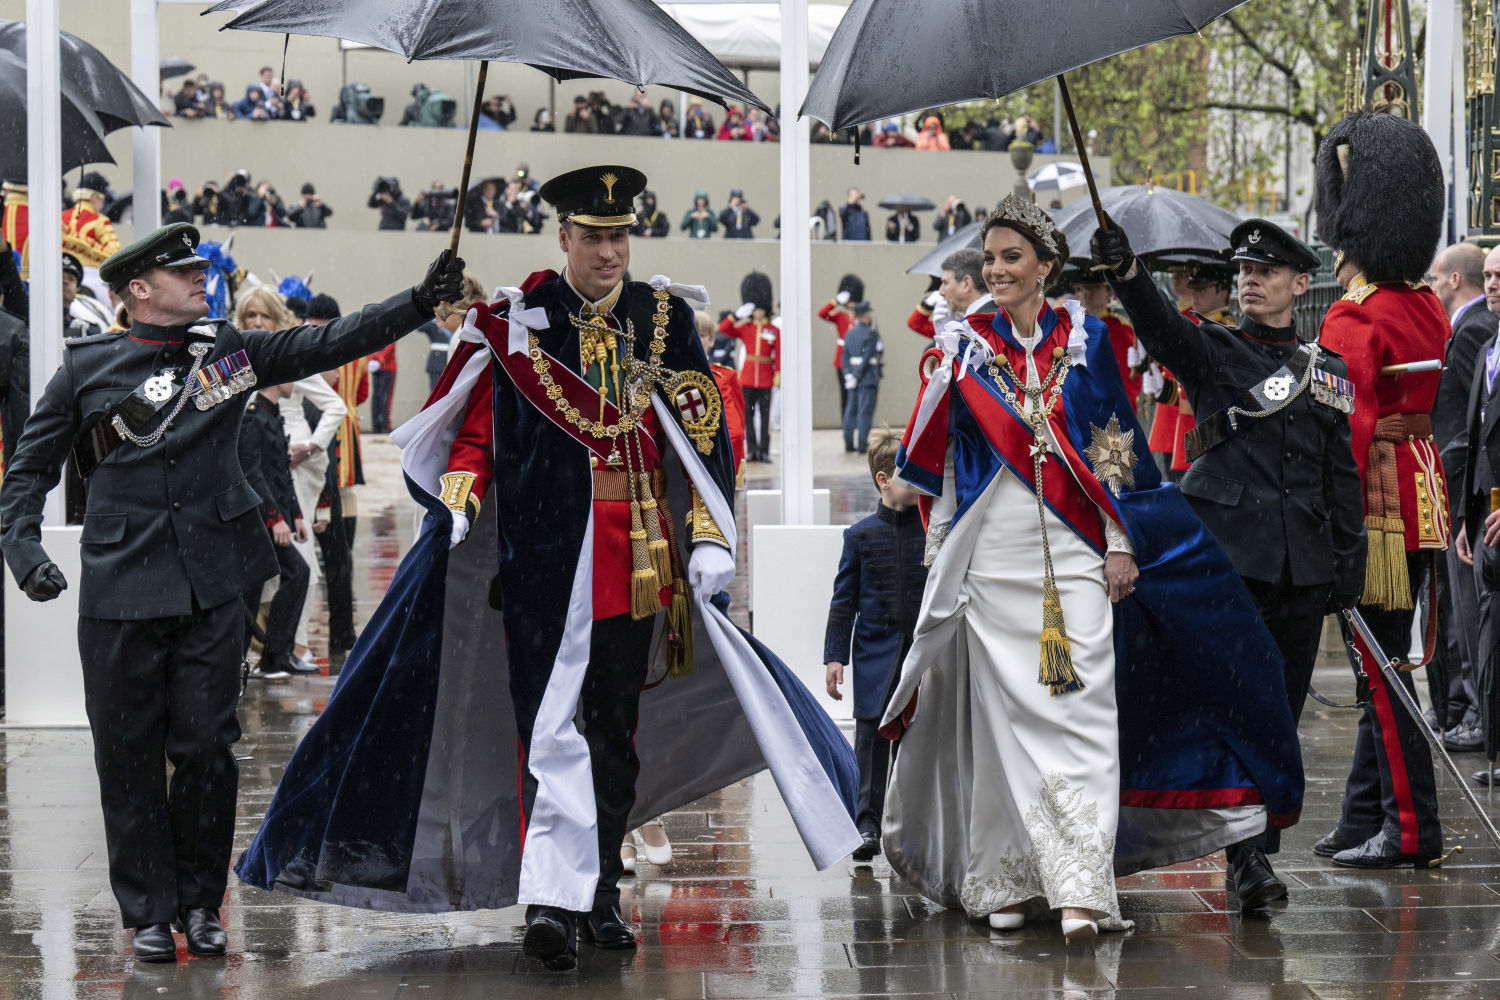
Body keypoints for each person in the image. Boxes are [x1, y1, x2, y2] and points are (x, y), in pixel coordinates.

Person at [235, 164, 861, 973]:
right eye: (595, 236)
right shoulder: (521, 321)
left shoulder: (662, 318)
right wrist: (459, 500)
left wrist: (709, 534)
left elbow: (706, 430)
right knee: (547, 733)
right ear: (563, 237)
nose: (610, 251)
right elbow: (479, 429)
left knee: (613, 733)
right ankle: (552, 902)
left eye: (621, 235)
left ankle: (597, 888)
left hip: (640, 563)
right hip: (543, 565)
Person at [0, 222, 463, 962]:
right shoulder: (87, 369)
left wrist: (415, 303)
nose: (200, 280)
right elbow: (30, 468)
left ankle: (199, 902)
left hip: (213, 583)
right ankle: (147, 911)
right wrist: (21, 547)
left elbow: (329, 343)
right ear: (138, 292)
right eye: (182, 274)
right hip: (121, 587)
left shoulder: (229, 355)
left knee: (210, 750)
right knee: (127, 755)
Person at [884, 195, 1303, 941]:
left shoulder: (1088, 337)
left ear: (1047, 266)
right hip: (991, 557)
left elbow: (1115, 443)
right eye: (991, 258)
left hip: (1074, 550)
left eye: (1014, 257)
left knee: (1079, 714)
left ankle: (1079, 885)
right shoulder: (964, 344)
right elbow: (938, 460)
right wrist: (939, 535)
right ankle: (1003, 881)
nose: (998, 270)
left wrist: (1118, 538)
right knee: (1000, 727)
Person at [1092, 216, 1365, 909]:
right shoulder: (1213, 351)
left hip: (1301, 567)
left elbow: (1341, 475)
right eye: (1242, 271)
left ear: (1300, 284)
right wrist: (1129, 276)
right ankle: (1250, 862)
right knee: (1238, 706)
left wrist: (1347, 568)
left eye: (1265, 272)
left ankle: (1253, 849)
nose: (1249, 281)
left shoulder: (1325, 371)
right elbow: (1161, 331)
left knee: (1281, 712)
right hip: (1227, 563)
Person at [1312, 113, 1451, 869]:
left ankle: (1410, 826)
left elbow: (1348, 433)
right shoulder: (1427, 305)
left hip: (1378, 512)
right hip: (1423, 496)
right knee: (1385, 662)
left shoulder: (1354, 317)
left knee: (1380, 671)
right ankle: (1364, 812)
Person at [825, 427, 927, 861]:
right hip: (873, 655)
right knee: (869, 739)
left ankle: (911, 824)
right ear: (884, 480)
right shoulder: (860, 536)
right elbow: (843, 601)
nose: (920, 482)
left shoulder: (929, 533)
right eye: (909, 475)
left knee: (917, 739)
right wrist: (835, 657)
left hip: (919, 655)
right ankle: (866, 825)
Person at [236, 286, 349, 672]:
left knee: (295, 567)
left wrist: (310, 447)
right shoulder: (240, 360)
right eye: (250, 317)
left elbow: (335, 405)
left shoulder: (285, 356)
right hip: (259, 470)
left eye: (263, 316)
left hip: (289, 464)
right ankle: (260, 651)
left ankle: (287, 647)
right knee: (261, 573)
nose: (256, 323)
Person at [1427, 242, 1495, 747]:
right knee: (1458, 607)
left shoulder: (1475, 331)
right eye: (1489, 276)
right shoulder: (1478, 335)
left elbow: (1477, 429)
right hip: (1464, 488)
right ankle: (1466, 708)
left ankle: (1476, 709)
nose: (1492, 285)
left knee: (1471, 607)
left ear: (1453, 280)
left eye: (1434, 278)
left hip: (1474, 490)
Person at [1457, 245, 1500, 783]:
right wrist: (1467, 517)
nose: (1492, 284)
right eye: (1487, 276)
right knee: (1492, 635)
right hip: (1487, 515)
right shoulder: (1489, 344)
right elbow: (1476, 440)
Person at [239, 381, 313, 679]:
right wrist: (274, 519)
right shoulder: (254, 417)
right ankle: (273, 656)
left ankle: (267, 657)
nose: (294, 384)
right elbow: (252, 474)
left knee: (252, 589)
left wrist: (294, 515)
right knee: (295, 573)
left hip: (272, 519)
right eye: (291, 377)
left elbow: (281, 472)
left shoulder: (271, 414)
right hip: (257, 522)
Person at [722, 272, 779, 462]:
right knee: (747, 417)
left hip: (765, 379)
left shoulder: (773, 330)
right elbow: (723, 329)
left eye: (760, 308)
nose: (758, 312)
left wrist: (778, 373)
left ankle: (764, 451)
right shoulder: (745, 327)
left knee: (765, 419)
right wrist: (736, 315)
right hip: (747, 378)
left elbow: (777, 353)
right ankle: (752, 450)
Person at [907, 249, 992, 340]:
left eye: (945, 283)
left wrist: (950, 339)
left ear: (966, 284)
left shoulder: (989, 321)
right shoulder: (980, 318)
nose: (940, 291)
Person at [819, 274, 864, 418]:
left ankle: (856, 420)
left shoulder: (861, 316)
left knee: (858, 393)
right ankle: (846, 421)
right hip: (842, 360)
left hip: (858, 359)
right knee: (844, 393)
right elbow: (822, 313)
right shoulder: (839, 316)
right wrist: (836, 301)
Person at [840, 303, 882, 453]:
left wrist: (848, 374)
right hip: (868, 377)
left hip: (853, 377)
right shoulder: (871, 333)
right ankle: (862, 445)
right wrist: (858, 375)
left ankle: (849, 443)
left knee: (851, 411)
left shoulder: (849, 333)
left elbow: (844, 355)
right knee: (864, 412)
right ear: (866, 315)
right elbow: (869, 355)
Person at [61, 172, 122, 270]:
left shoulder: (61, 217)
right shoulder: (100, 220)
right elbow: (116, 255)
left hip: (62, 273)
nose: (102, 204)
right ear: (94, 198)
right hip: (91, 275)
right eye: (102, 200)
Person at [368, 340, 397, 434]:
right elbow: (391, 344)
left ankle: (377, 426)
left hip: (378, 366)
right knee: (384, 397)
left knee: (377, 396)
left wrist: (372, 359)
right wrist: (380, 359)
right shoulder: (391, 328)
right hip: (387, 366)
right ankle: (384, 426)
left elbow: (367, 346)